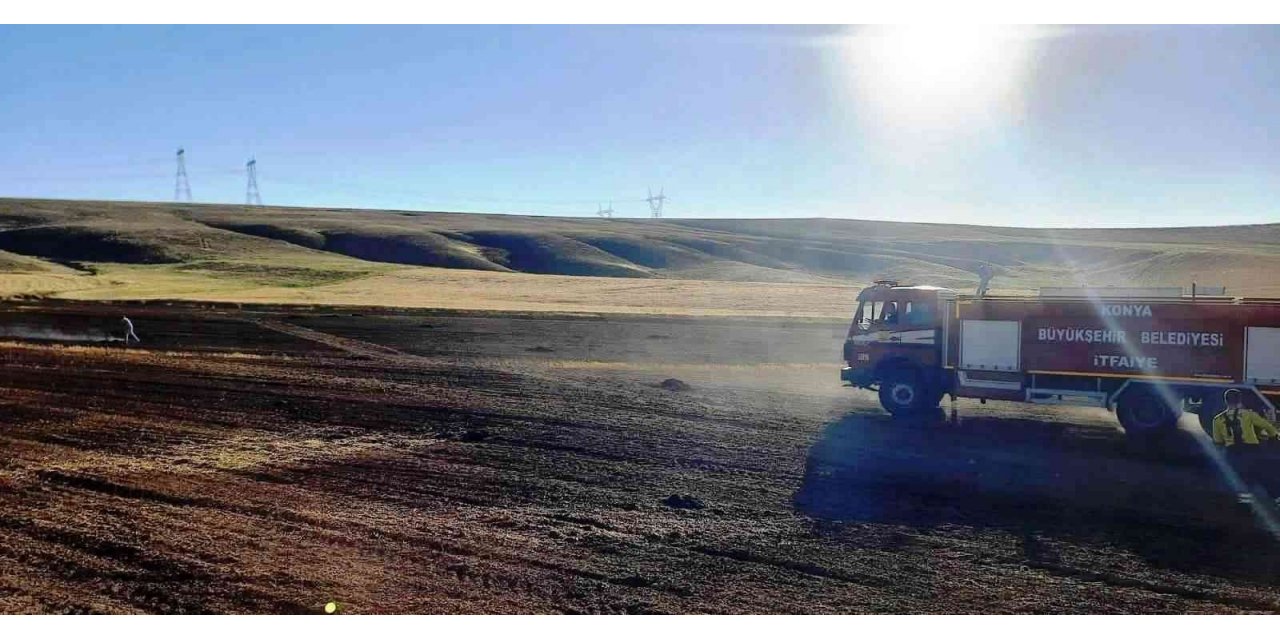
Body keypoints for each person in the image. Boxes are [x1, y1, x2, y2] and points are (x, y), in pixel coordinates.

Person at [1213, 389, 1279, 503]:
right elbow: (1270, 428)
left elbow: (1218, 441)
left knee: (1234, 479)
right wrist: (1272, 439)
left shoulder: (1217, 419)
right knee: (1265, 477)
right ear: (1240, 400)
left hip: (1232, 454)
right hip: (1252, 451)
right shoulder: (1249, 415)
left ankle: (1237, 502)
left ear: (1225, 401)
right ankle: (1276, 499)